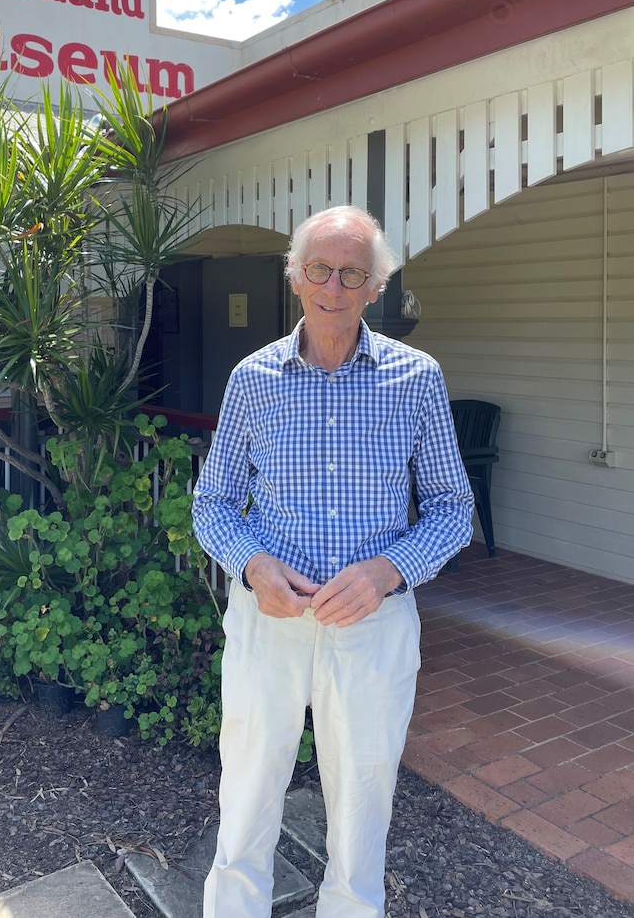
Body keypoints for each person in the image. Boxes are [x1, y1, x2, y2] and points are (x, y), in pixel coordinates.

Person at [192, 205, 474, 918]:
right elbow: (213, 502)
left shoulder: (416, 380)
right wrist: (253, 565)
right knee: (248, 793)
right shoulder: (253, 379)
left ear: (376, 285)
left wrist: (386, 573)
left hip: (372, 626)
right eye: (320, 267)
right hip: (270, 621)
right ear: (295, 275)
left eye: (353, 272)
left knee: (361, 806)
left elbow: (452, 507)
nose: (334, 286)